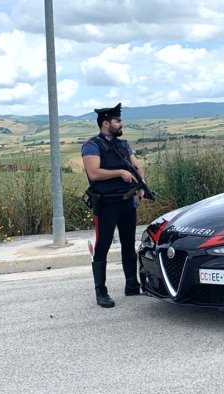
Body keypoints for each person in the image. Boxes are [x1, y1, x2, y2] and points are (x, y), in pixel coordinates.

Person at [81, 103, 145, 308]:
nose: (121, 124)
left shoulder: (123, 145)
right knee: (102, 247)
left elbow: (136, 166)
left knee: (129, 246)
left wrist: (141, 185)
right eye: (117, 121)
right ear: (105, 123)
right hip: (106, 205)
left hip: (127, 203)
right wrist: (119, 173)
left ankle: (132, 285)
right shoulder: (92, 145)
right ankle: (101, 292)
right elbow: (94, 173)